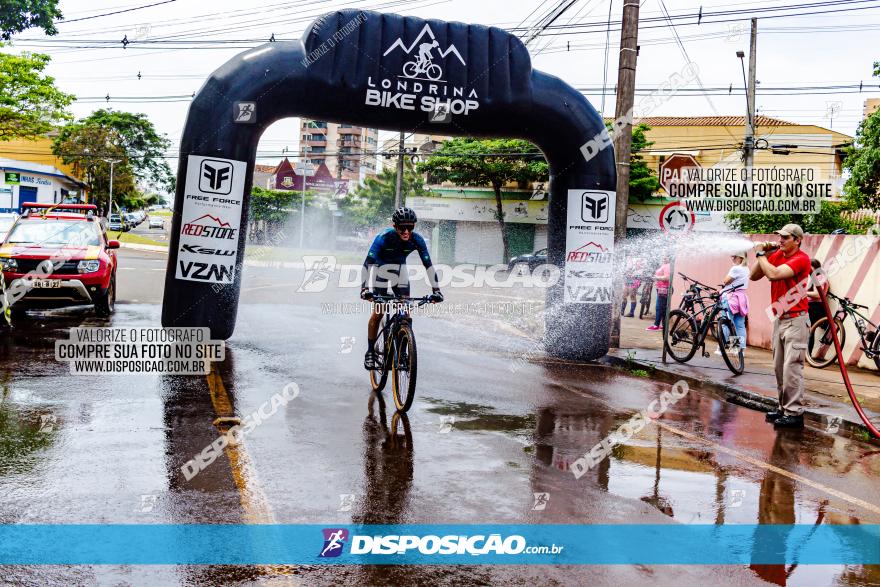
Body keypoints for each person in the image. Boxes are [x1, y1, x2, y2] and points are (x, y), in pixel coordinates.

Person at [360, 207, 443, 370]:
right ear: (394, 226)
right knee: (379, 312)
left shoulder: (417, 240)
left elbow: (429, 266)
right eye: (402, 228)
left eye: (410, 227)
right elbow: (367, 264)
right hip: (381, 272)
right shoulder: (383, 238)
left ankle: (403, 351)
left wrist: (436, 290)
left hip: (400, 273)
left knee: (405, 313)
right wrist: (364, 289)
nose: (406, 231)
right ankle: (370, 351)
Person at [750, 224, 812, 428]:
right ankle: (783, 408)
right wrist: (765, 255)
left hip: (796, 320)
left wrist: (761, 254)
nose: (780, 240)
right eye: (780, 236)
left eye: (785, 237)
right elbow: (754, 275)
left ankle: (794, 413)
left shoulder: (801, 259)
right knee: (779, 368)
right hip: (780, 319)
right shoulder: (777, 254)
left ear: (797, 240)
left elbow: (774, 274)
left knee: (792, 368)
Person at [715, 251, 750, 354]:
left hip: (731, 298)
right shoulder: (746, 268)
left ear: (740, 257)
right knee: (740, 325)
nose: (732, 258)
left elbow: (726, 281)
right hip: (742, 298)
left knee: (725, 323)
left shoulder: (736, 268)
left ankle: (721, 349)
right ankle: (737, 350)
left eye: (734, 256)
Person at [646, 256, 670, 331]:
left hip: (664, 288)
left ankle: (656, 325)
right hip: (661, 288)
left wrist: (656, 278)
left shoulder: (668, 266)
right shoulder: (664, 265)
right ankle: (663, 325)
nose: (664, 258)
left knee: (659, 307)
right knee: (662, 307)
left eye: (667, 257)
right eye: (664, 256)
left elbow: (667, 277)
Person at [806, 258, 826, 325]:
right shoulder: (816, 277)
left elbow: (817, 294)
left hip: (814, 306)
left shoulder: (818, 278)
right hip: (815, 306)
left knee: (809, 330)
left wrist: (804, 293)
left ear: (814, 267)